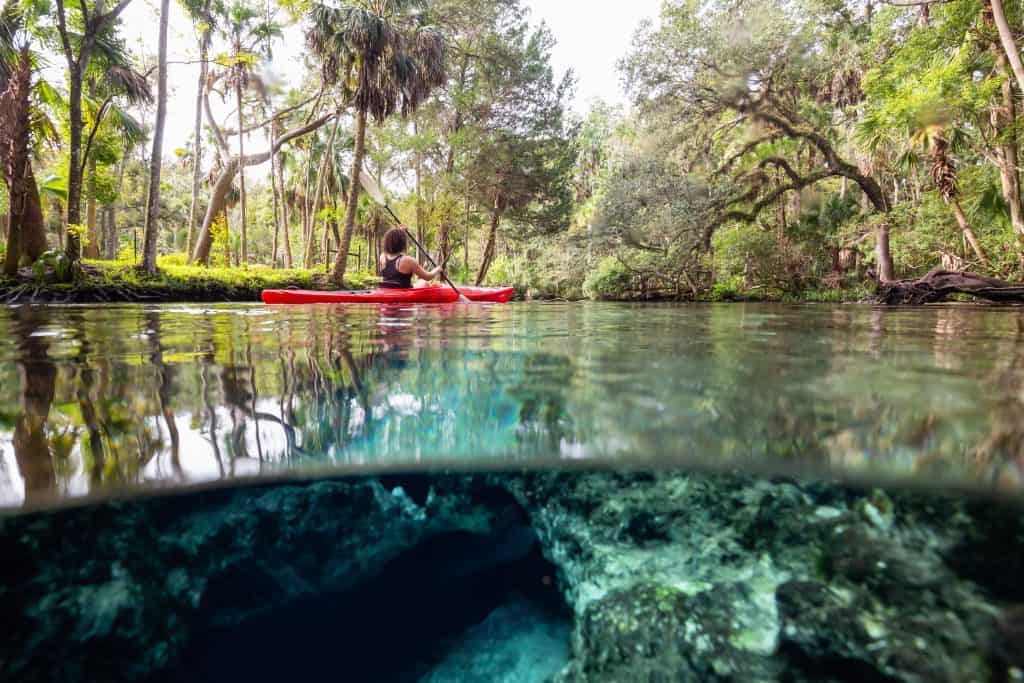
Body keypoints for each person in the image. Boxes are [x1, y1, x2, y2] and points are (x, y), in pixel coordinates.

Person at [379, 227, 444, 289]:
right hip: (404, 293)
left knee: (420, 282)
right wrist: (437, 270)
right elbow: (428, 277)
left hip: (387, 291)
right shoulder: (408, 260)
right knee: (424, 282)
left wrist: (401, 232)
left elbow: (393, 240)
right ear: (402, 243)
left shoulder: (382, 257)